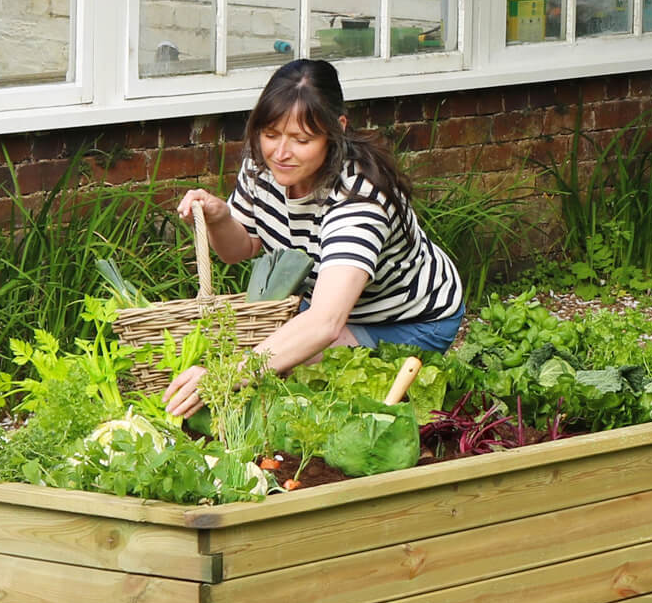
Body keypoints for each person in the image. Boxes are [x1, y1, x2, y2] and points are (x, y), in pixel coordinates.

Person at [163, 58, 464, 419]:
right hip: (329, 305)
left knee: (291, 381)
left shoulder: (359, 197)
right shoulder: (265, 166)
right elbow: (240, 249)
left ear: (335, 130)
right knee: (271, 365)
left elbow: (324, 322)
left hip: (406, 318)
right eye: (270, 134)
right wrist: (221, 217)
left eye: (301, 139)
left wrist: (225, 376)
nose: (281, 152)